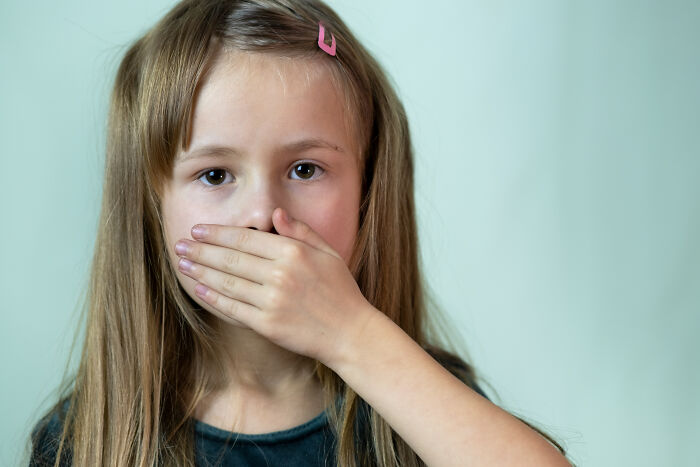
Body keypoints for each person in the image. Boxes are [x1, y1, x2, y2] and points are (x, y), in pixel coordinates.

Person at [26, 0, 571, 465]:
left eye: (305, 169)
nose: (263, 216)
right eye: (214, 175)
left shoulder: (422, 407)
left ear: (367, 189)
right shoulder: (85, 438)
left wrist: (353, 336)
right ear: (151, 206)